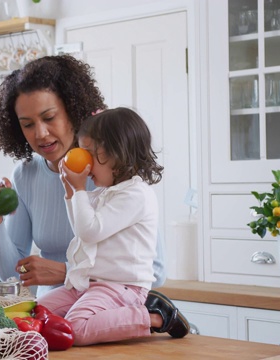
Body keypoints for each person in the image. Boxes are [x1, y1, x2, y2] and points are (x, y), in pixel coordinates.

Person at [0, 55, 165, 298]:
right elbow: (14, 275)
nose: (41, 133)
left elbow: (156, 271)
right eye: (28, 124)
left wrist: (67, 272)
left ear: (73, 111)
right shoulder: (26, 175)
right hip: (51, 313)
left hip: (106, 309)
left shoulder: (111, 172)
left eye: (49, 117)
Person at [36, 107, 189, 345]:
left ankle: (155, 316)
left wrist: (78, 191)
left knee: (75, 329)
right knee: (36, 313)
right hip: (89, 284)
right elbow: (82, 229)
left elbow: (91, 230)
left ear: (119, 154)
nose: (84, 161)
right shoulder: (105, 193)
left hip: (122, 287)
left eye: (90, 153)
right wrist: (70, 194)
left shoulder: (136, 194)